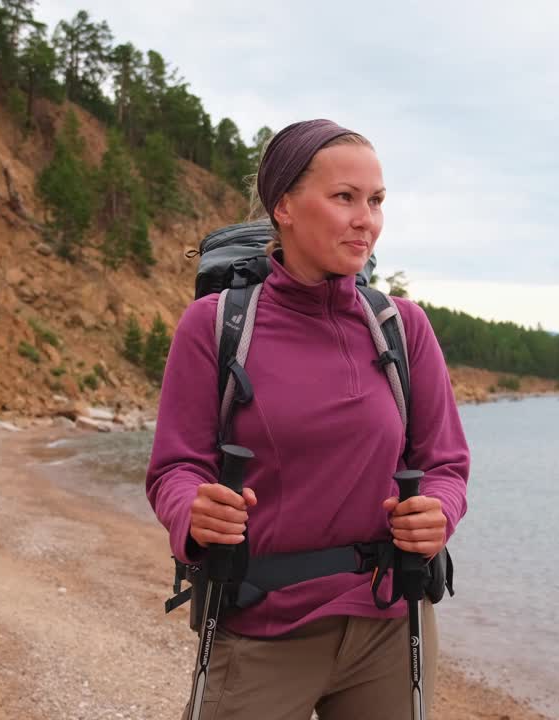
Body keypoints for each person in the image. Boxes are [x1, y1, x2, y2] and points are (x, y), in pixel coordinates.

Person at [145, 118, 470, 720]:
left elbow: (445, 464)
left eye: (375, 201)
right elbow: (175, 468)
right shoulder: (217, 326)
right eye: (344, 197)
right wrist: (192, 509)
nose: (365, 219)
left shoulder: (402, 327)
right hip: (260, 622)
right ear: (285, 206)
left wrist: (439, 512)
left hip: (389, 621)